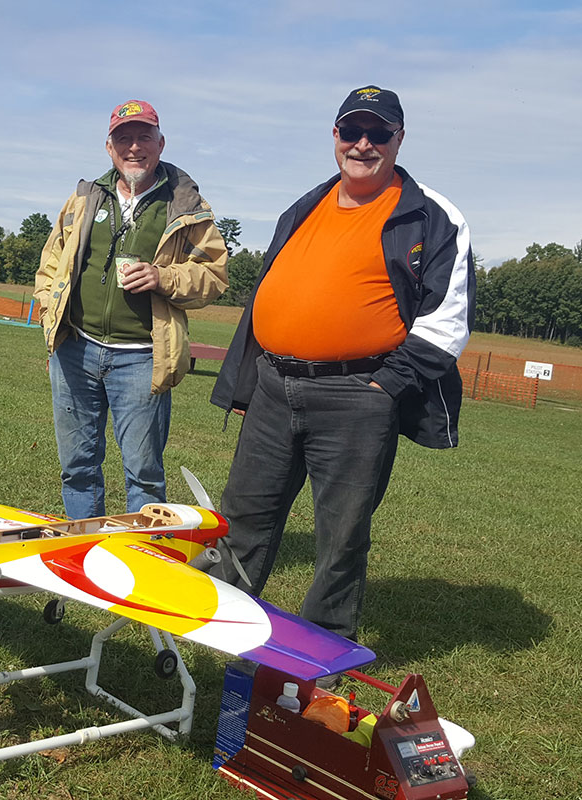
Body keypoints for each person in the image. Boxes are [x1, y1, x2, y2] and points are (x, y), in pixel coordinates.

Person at [209, 85, 474, 671]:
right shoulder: (308, 204)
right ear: (334, 136)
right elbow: (268, 298)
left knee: (341, 533)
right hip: (275, 387)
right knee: (244, 519)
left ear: (399, 140)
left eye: (378, 133)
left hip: (358, 396)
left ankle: (323, 650)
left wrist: (385, 387)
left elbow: (447, 321)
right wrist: (251, 383)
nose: (363, 144)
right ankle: (224, 628)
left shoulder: (430, 215)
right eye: (351, 131)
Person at [35, 99, 228, 519]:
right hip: (75, 352)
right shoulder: (85, 197)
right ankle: (85, 553)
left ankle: (142, 559)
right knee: (77, 467)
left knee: (143, 473)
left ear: (161, 143)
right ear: (109, 147)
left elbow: (214, 275)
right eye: (124, 138)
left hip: (142, 359)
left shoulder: (185, 205)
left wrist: (165, 278)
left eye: (144, 137)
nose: (134, 147)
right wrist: (50, 309)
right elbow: (51, 262)